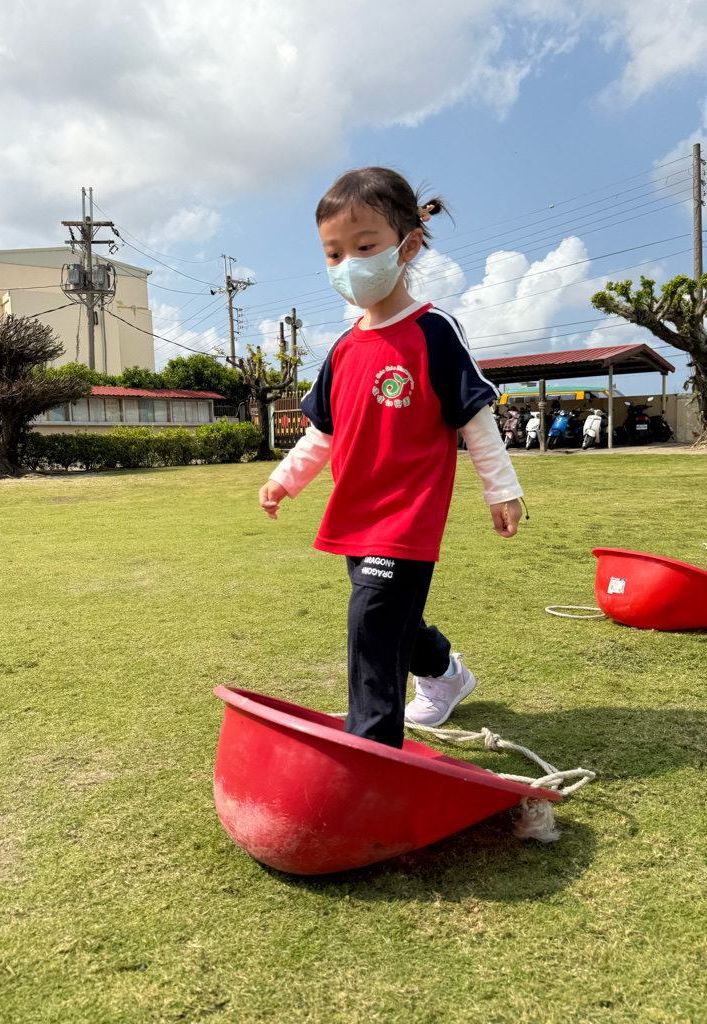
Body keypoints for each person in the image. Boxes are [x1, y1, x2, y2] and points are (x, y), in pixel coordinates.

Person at [259, 166, 524, 749]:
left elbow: (474, 417)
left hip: (409, 512)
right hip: (356, 512)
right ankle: (444, 673)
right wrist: (285, 478)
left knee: (373, 622)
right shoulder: (343, 348)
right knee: (391, 613)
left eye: (364, 247)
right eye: (334, 253)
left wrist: (502, 489)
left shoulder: (434, 332)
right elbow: (324, 432)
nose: (347, 265)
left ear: (407, 246)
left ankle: (371, 749)